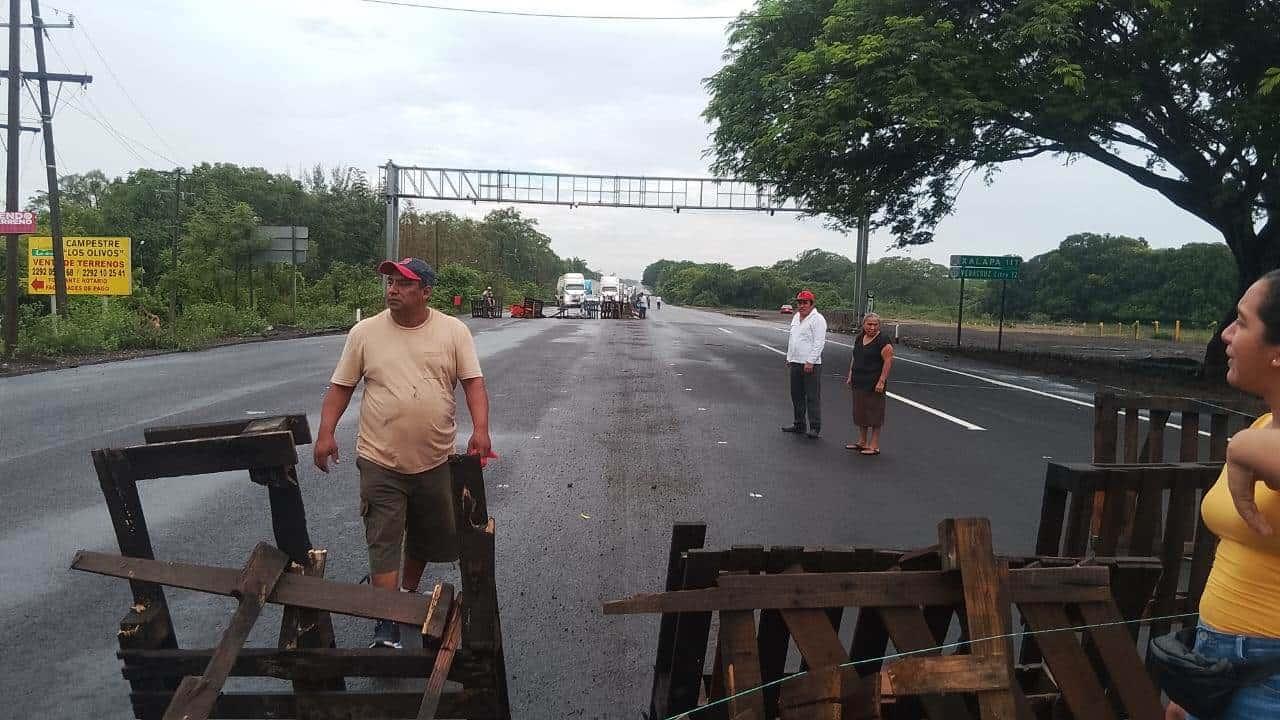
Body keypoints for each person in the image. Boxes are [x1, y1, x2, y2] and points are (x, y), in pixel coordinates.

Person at [313, 257, 492, 650]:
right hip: (379, 458)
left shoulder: (453, 331)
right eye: (390, 282)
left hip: (436, 457)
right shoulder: (365, 333)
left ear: (425, 292)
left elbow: (473, 383)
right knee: (383, 536)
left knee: (429, 536)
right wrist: (325, 433)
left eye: (404, 283)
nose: (392, 289)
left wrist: (480, 430)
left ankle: (406, 594)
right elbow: (341, 387)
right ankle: (386, 619)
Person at [1164, 269, 1280, 720]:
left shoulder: (1253, 441)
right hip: (1221, 667)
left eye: (1243, 322)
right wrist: (1193, 689)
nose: (1226, 335)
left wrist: (1241, 448)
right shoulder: (1262, 427)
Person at [845, 313, 894, 456]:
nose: (872, 327)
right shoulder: (860, 337)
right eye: (869, 324)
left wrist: (881, 381)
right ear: (863, 324)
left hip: (874, 383)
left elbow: (888, 361)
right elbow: (855, 357)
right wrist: (850, 374)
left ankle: (874, 445)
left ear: (879, 326)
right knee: (860, 412)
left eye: (875, 324)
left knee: (874, 413)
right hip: (859, 380)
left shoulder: (883, 340)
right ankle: (862, 441)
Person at [782, 289, 827, 439]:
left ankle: (815, 427)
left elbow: (819, 343)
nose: (802, 306)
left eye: (805, 303)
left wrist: (811, 361)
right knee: (796, 395)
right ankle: (799, 424)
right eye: (799, 303)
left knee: (812, 396)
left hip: (810, 364)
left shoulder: (818, 319)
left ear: (811, 304)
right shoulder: (795, 317)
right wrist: (789, 357)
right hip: (795, 361)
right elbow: (792, 339)